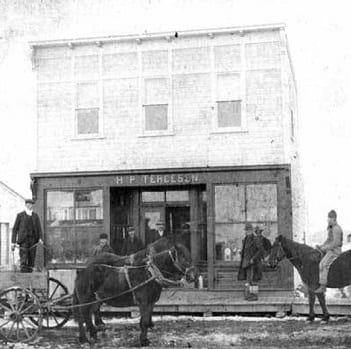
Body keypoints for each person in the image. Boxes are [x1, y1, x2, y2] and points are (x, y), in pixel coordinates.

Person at [315, 210, 343, 293]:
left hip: (335, 251)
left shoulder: (336, 229)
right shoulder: (332, 228)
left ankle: (323, 286)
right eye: (328, 219)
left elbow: (335, 243)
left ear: (334, 219)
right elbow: (329, 240)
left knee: (323, 264)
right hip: (330, 250)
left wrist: (325, 248)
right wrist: (321, 246)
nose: (328, 221)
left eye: (330, 219)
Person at [11, 199, 43, 273]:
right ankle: (23, 277)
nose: (29, 206)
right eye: (28, 204)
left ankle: (30, 275)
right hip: (23, 241)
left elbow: (39, 228)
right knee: (24, 259)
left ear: (32, 205)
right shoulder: (20, 215)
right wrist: (13, 242)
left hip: (33, 240)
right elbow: (15, 229)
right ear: (25, 205)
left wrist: (40, 238)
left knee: (32, 258)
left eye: (31, 204)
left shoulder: (35, 216)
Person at [238, 223, 264, 301]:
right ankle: (249, 295)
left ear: (252, 231)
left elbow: (260, 250)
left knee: (253, 280)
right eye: (246, 230)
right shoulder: (246, 239)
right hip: (246, 263)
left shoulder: (255, 239)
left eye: (248, 230)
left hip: (254, 263)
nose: (247, 232)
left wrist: (253, 258)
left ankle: (254, 296)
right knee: (248, 280)